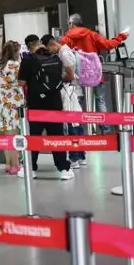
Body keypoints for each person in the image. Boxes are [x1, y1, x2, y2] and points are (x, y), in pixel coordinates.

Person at [17, 35, 74, 180]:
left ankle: (30, 168)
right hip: (55, 102)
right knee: (57, 136)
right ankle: (64, 168)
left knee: (34, 136)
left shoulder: (28, 60)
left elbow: (22, 82)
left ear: (29, 46)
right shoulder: (54, 57)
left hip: (36, 104)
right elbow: (62, 76)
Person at [60, 13, 127, 131]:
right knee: (100, 100)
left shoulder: (66, 38)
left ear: (71, 24)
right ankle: (105, 128)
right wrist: (120, 37)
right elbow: (108, 45)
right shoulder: (91, 34)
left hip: (77, 74)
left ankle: (79, 128)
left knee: (77, 100)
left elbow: (59, 52)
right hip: (94, 74)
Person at [43, 35, 85, 169]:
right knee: (76, 123)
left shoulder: (64, 54)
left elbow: (70, 75)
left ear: (52, 44)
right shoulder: (66, 51)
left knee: (71, 124)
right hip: (73, 91)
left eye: (49, 49)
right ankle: (80, 155)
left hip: (69, 91)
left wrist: (57, 78)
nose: (50, 52)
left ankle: (74, 157)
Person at [0, 41, 24, 174]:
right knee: (14, 134)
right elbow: (22, 80)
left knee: (7, 135)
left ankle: (8, 163)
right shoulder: (16, 65)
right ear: (15, 52)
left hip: (1, 100)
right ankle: (16, 164)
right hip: (13, 100)